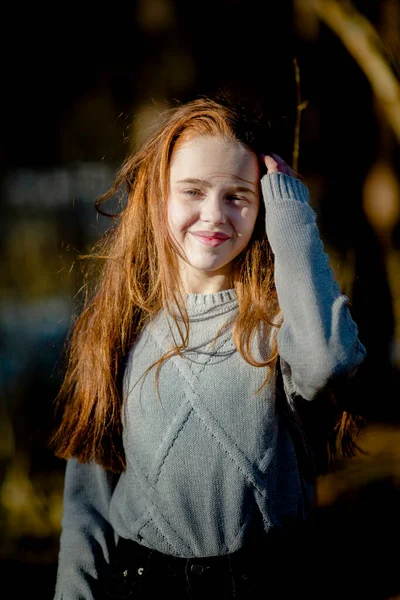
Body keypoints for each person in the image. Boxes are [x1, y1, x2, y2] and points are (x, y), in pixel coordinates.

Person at [50, 95, 367, 599]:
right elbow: (88, 501)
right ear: (159, 198)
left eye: (237, 196)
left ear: (263, 206)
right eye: (193, 191)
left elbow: (329, 361)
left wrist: (292, 213)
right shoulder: (119, 329)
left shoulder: (280, 327)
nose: (213, 214)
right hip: (142, 584)